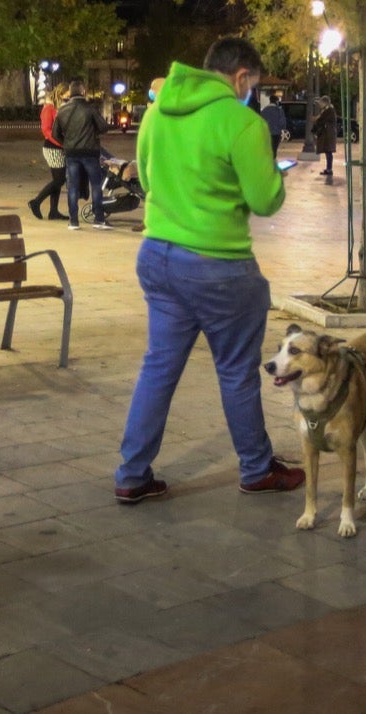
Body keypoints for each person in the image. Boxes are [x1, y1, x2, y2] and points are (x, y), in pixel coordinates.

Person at [113, 37, 304, 503]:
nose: (251, 93)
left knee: (158, 367)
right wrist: (274, 173)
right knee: (237, 371)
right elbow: (265, 200)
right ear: (241, 76)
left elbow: (147, 173)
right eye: (252, 85)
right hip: (220, 265)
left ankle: (132, 474)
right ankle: (256, 468)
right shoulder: (241, 122)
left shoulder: (157, 113)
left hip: (158, 253)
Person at [53, 78, 111, 230]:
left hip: (71, 153)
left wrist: (67, 142)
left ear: (70, 93)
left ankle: (73, 221)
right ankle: (99, 219)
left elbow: (55, 134)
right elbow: (104, 127)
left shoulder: (62, 110)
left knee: (72, 186)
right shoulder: (90, 108)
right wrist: (93, 133)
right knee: (96, 185)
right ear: (83, 91)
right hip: (90, 152)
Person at [28, 86, 69, 221]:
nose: (67, 98)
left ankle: (53, 211)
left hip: (59, 146)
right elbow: (46, 130)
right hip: (53, 147)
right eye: (66, 95)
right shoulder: (48, 108)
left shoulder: (58, 108)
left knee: (57, 180)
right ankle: (36, 202)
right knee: (59, 179)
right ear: (60, 94)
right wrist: (60, 143)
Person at [311, 96, 337, 175]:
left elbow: (321, 120)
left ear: (325, 103)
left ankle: (329, 169)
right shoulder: (327, 110)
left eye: (321, 103)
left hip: (328, 135)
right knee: (328, 152)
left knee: (328, 152)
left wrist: (316, 119)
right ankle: (328, 169)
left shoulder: (329, 110)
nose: (320, 105)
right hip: (327, 134)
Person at [261, 93, 288, 159]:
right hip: (276, 133)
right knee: (274, 149)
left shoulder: (264, 110)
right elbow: (282, 123)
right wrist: (282, 128)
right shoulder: (279, 110)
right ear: (276, 101)